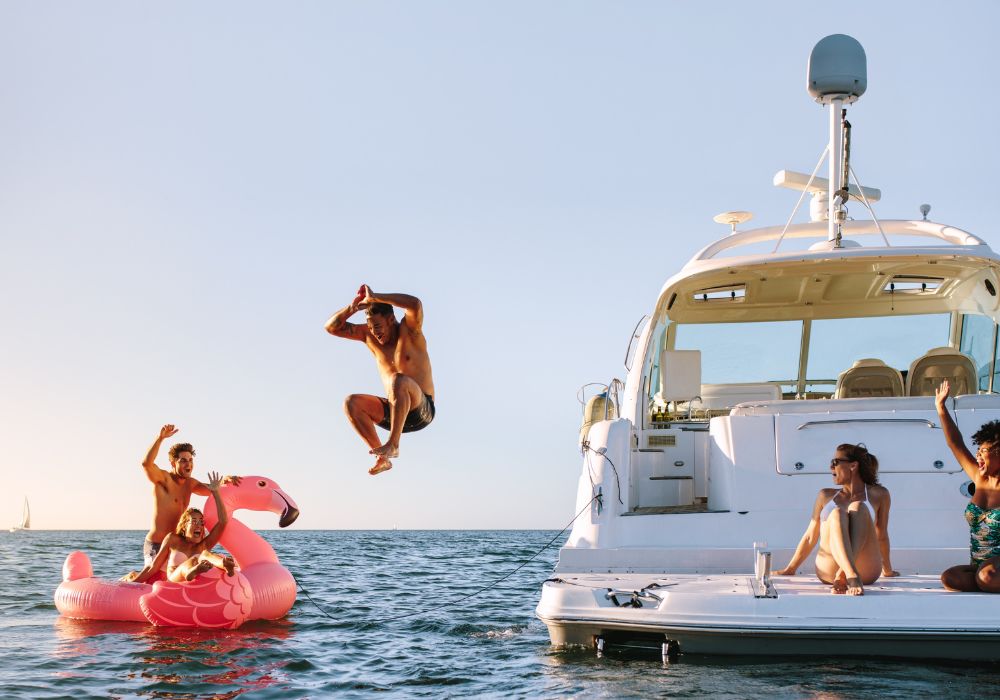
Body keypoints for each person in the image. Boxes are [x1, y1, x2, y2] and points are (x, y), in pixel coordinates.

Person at [325, 284, 436, 476]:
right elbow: (331, 328)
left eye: (377, 326)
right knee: (352, 402)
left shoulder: (410, 331)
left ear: (391, 319)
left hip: (421, 409)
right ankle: (382, 458)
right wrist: (353, 308)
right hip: (395, 410)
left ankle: (393, 444)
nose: (374, 332)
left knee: (398, 380)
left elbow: (414, 304)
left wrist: (377, 297)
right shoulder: (368, 336)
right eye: (369, 326)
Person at [776, 443, 898, 595]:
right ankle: (850, 574)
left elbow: (881, 535)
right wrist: (790, 569)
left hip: (865, 569)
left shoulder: (879, 494)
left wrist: (887, 570)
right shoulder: (825, 496)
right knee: (836, 513)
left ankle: (845, 573)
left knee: (858, 507)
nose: (831, 468)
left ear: (853, 466)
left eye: (835, 463)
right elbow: (810, 537)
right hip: (830, 570)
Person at [123, 424, 240, 580]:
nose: (189, 464)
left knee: (176, 577)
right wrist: (160, 438)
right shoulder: (163, 479)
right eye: (183, 460)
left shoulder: (190, 484)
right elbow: (146, 464)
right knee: (153, 579)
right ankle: (131, 579)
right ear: (173, 463)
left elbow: (211, 489)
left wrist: (225, 480)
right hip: (157, 544)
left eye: (190, 460)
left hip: (178, 544)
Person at [935, 379, 1000, 592]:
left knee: (987, 576)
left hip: (995, 565)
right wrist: (941, 409)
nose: (978, 455)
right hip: (979, 563)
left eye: (984, 451)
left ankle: (987, 581)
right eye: (978, 450)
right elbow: (955, 443)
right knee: (950, 578)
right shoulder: (979, 477)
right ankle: (986, 582)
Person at [132, 471, 235, 583]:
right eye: (194, 521)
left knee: (205, 554)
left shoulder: (204, 544)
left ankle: (225, 564)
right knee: (193, 561)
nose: (199, 525)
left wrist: (215, 492)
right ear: (185, 526)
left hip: (192, 588)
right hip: (173, 583)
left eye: (201, 522)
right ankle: (192, 571)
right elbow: (153, 567)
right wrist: (132, 585)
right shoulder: (173, 539)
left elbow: (223, 521)